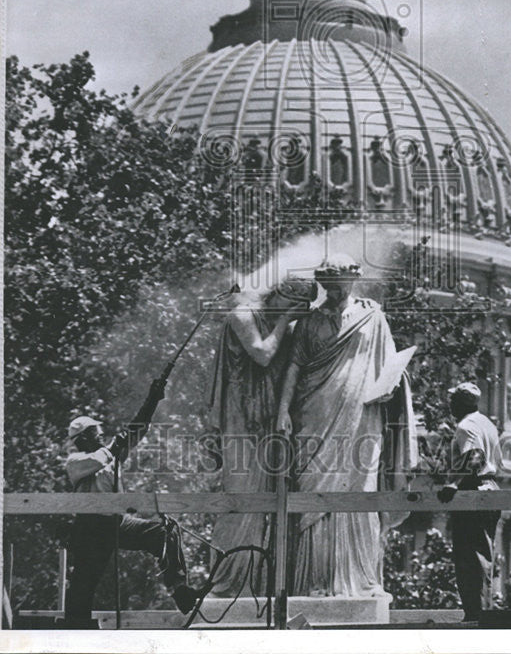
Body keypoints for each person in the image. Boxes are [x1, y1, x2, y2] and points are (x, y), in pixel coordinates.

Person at [276, 255, 417, 597]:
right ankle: (315, 581)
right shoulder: (309, 323)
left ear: (353, 281)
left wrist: (394, 389)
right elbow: (293, 367)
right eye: (328, 288)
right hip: (314, 414)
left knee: (360, 489)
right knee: (312, 494)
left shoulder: (373, 317)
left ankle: (360, 580)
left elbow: (389, 366)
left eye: (338, 288)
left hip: (362, 418)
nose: (332, 295)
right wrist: (283, 411)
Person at [63, 380, 201, 628]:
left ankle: (178, 588)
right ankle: (75, 629)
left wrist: (152, 399)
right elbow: (96, 460)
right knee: (84, 583)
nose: (101, 434)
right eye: (95, 432)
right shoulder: (75, 461)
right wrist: (114, 448)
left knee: (164, 532)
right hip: (90, 529)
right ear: (82, 439)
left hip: (116, 523)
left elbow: (138, 428)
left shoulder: (111, 455)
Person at [207, 279, 314, 596]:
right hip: (241, 419)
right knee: (241, 499)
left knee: (269, 505)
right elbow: (262, 354)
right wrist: (285, 321)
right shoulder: (243, 314)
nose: (296, 315)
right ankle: (226, 583)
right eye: (293, 307)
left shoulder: (286, 325)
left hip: (269, 423)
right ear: (281, 295)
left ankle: (255, 582)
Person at [437, 381, 503, 624]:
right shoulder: (486, 423)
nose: (450, 405)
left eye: (453, 400)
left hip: (472, 490)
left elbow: (475, 456)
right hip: (490, 487)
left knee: (468, 558)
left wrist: (453, 483)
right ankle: (480, 613)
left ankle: (474, 616)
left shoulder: (466, 425)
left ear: (461, 403)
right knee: (483, 556)